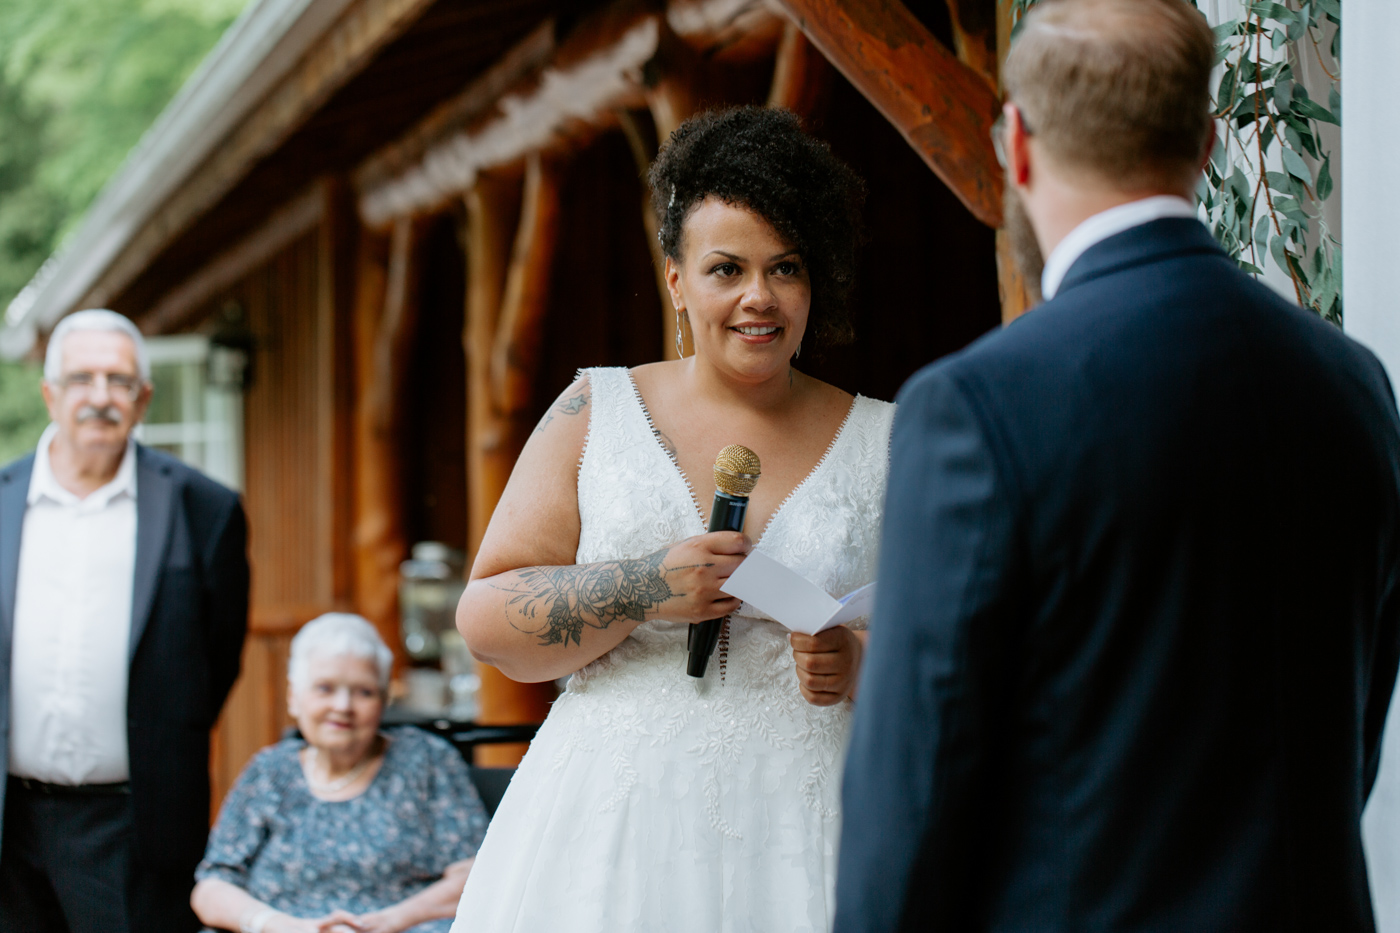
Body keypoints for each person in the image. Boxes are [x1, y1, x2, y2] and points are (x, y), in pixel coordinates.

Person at [834, 0, 1400, 930]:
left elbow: (914, 794)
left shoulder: (977, 408)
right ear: (1208, 142)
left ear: (1015, 144)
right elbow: (1354, 735)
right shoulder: (1349, 384)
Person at [448, 106, 892, 931]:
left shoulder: (889, 439)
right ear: (677, 280)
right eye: (728, 268)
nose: (759, 297)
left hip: (809, 832)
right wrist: (642, 586)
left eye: (786, 267)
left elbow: (972, 640)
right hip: (612, 836)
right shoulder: (594, 410)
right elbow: (485, 619)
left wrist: (862, 661)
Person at [0, 309, 250, 933]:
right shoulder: (2, 500)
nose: (101, 397)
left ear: (144, 399)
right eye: (82, 378)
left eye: (119, 381)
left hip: (138, 828)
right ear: (50, 393)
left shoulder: (204, 508)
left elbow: (217, 660)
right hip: (8, 825)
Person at [192, 613, 488, 933]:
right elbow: (212, 888)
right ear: (294, 698)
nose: (343, 706)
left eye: (364, 692)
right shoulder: (269, 772)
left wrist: (387, 922)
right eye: (325, 688)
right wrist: (283, 927)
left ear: (384, 700)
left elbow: (475, 875)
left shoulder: (426, 760)